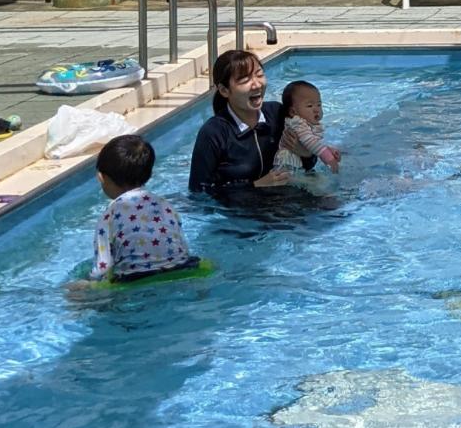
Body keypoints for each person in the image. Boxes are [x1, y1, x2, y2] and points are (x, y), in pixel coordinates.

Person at [188, 49, 312, 194]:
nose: (257, 84)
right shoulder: (214, 133)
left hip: (287, 199)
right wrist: (255, 185)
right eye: (244, 80)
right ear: (224, 90)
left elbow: (307, 166)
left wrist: (306, 153)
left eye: (259, 75)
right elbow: (199, 190)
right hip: (244, 211)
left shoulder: (276, 114)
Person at [90, 134, 196, 282]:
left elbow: (103, 268)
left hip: (133, 279)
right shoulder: (166, 205)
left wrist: (93, 283)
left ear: (102, 178)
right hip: (181, 270)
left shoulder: (109, 214)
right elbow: (181, 248)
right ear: (150, 174)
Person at [275, 80, 341, 175]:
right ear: (293, 112)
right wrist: (329, 159)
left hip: (297, 167)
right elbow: (311, 143)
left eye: (319, 104)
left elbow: (310, 144)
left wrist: (329, 150)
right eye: (310, 106)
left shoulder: (307, 124)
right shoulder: (298, 123)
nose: (316, 109)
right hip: (287, 167)